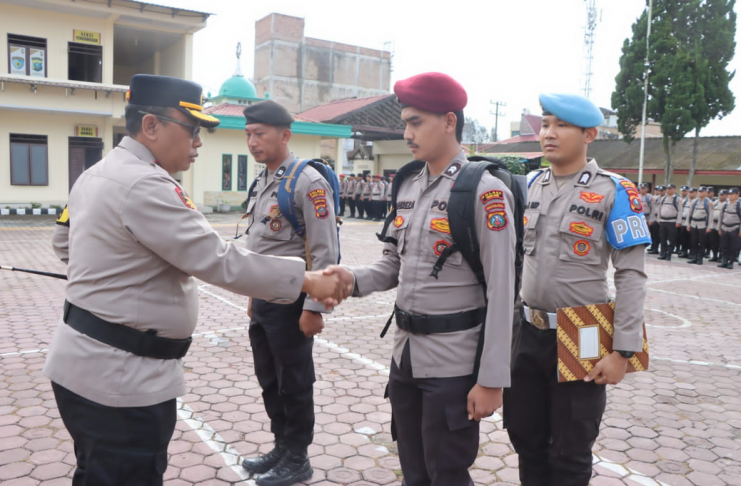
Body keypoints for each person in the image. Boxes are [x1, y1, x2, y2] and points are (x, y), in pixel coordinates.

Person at [45, 75, 347, 486]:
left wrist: (117, 273)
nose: (198, 143)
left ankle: (293, 450)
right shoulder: (145, 183)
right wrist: (309, 282)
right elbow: (217, 259)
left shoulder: (98, 172)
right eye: (191, 130)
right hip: (120, 379)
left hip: (88, 367)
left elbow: (64, 242)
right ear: (151, 126)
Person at [325, 72, 516, 486]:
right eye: (405, 122)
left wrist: (491, 380)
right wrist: (349, 279)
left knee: (446, 472)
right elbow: (392, 265)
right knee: (413, 469)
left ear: (449, 121)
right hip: (405, 357)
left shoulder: (484, 192)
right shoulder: (408, 184)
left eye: (417, 122)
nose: (407, 133)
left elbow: (503, 289)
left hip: (453, 364)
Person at [504, 93, 649, 486]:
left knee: (570, 449)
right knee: (525, 436)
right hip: (528, 332)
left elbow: (631, 275)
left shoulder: (615, 191)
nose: (548, 133)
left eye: (561, 125)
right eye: (546, 124)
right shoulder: (531, 184)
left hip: (581, 335)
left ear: (590, 134)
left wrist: (622, 351)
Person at [238, 100, 340, 486]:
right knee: (269, 378)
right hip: (263, 301)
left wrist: (314, 308)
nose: (252, 141)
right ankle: (281, 445)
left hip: (293, 302)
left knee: (294, 381)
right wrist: (251, 294)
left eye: (259, 134)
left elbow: (325, 252)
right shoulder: (264, 180)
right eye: (248, 134)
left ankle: (298, 457)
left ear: (285, 135)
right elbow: (259, 244)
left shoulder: (307, 182)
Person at [685, 187, 713, 265]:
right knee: (693, 242)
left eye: (702, 192)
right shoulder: (694, 201)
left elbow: (711, 215)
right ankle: (694, 257)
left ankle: (700, 258)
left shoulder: (708, 202)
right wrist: (688, 224)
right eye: (699, 191)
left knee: (702, 242)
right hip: (694, 223)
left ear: (705, 193)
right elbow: (689, 213)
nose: (700, 193)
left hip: (702, 224)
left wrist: (709, 226)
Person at [716, 187, 741, 269]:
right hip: (724, 227)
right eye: (729, 194)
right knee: (724, 246)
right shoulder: (725, 205)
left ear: (738, 194)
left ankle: (731, 262)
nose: (730, 196)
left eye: (732, 194)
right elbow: (720, 217)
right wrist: (719, 228)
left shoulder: (739, 205)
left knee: (733, 247)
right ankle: (724, 261)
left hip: (735, 228)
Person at [657, 183, 683, 261]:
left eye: (670, 188)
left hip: (672, 221)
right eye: (667, 188)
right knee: (662, 239)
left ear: (674, 189)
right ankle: (663, 254)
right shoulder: (663, 198)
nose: (668, 190)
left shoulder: (677, 199)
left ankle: (669, 254)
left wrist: (678, 222)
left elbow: (680, 211)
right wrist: (659, 219)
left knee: (672, 239)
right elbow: (659, 209)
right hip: (663, 221)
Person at [640, 183, 658, 254]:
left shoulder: (649, 197)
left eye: (644, 188)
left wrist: (651, 219)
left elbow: (653, 209)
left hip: (647, 217)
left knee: (650, 233)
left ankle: (653, 247)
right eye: (641, 188)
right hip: (640, 217)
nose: (642, 189)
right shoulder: (637, 196)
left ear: (647, 189)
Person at [709, 189, 726, 261]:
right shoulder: (715, 203)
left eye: (722, 195)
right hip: (714, 224)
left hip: (722, 225)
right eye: (719, 195)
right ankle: (714, 256)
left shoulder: (727, 203)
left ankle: (721, 257)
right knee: (714, 242)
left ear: (726, 195)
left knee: (722, 242)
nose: (720, 196)